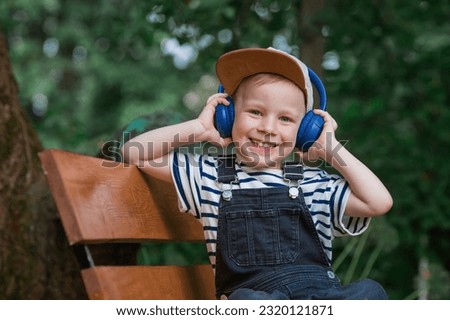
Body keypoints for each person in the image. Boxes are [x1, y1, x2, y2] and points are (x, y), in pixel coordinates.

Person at [122, 47, 393, 299]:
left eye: (285, 119)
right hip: (255, 301)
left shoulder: (315, 185)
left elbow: (378, 202)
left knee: (369, 291)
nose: (268, 128)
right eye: (255, 112)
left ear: (305, 131)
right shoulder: (208, 177)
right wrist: (198, 129)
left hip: (318, 300)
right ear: (228, 118)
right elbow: (132, 151)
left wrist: (331, 149)